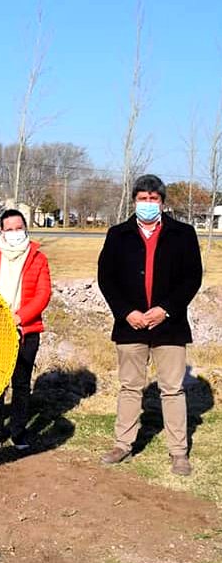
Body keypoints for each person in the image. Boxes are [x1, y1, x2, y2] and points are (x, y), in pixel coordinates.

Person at [97, 174, 202, 476]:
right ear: (134, 201)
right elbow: (107, 277)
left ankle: (179, 452)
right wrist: (126, 311)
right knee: (130, 386)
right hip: (130, 325)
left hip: (169, 326)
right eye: (142, 199)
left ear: (162, 202)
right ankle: (123, 443)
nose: (147, 204)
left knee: (172, 389)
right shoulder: (118, 234)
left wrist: (166, 309)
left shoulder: (183, 233)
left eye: (153, 199)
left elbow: (191, 278)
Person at [0, 209, 51, 450]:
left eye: (18, 228)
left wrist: (19, 318)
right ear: (2, 231)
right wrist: (0, 318)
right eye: (9, 229)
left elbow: (43, 294)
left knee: (21, 382)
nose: (14, 233)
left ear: (25, 228)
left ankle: (19, 430)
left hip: (27, 329)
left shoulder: (38, 258)